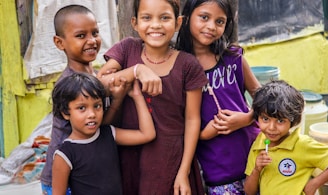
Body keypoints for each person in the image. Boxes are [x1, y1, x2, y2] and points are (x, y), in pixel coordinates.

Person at [97, 0, 208, 194]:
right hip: (129, 155)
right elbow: (99, 84)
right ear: (135, 23)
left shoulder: (188, 65)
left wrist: (184, 171)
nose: (155, 25)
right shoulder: (127, 50)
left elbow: (192, 119)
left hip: (169, 159)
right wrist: (136, 70)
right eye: (147, 18)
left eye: (164, 18)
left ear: (178, 23)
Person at [40, 5, 134, 194]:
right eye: (81, 36)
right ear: (60, 43)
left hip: (85, 170)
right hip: (62, 175)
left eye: (95, 33)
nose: (92, 41)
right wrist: (137, 71)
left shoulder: (95, 76)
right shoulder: (68, 83)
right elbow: (97, 127)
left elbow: (103, 127)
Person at [175, 0, 261, 194]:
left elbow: (263, 97)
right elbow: (178, 125)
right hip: (219, 169)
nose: (211, 26)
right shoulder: (179, 67)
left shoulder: (233, 57)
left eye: (220, 21)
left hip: (255, 157)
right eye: (204, 17)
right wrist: (205, 133)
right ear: (186, 18)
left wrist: (247, 118)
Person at [51, 72, 156, 195]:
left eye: (97, 106)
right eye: (81, 108)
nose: (92, 114)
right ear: (66, 113)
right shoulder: (65, 154)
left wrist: (137, 96)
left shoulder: (108, 133)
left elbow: (147, 134)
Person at [244, 80, 328, 195]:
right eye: (265, 119)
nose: (271, 127)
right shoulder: (259, 145)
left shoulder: (302, 144)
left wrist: (314, 183)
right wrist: (257, 170)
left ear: (293, 121)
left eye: (280, 121)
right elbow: (249, 191)